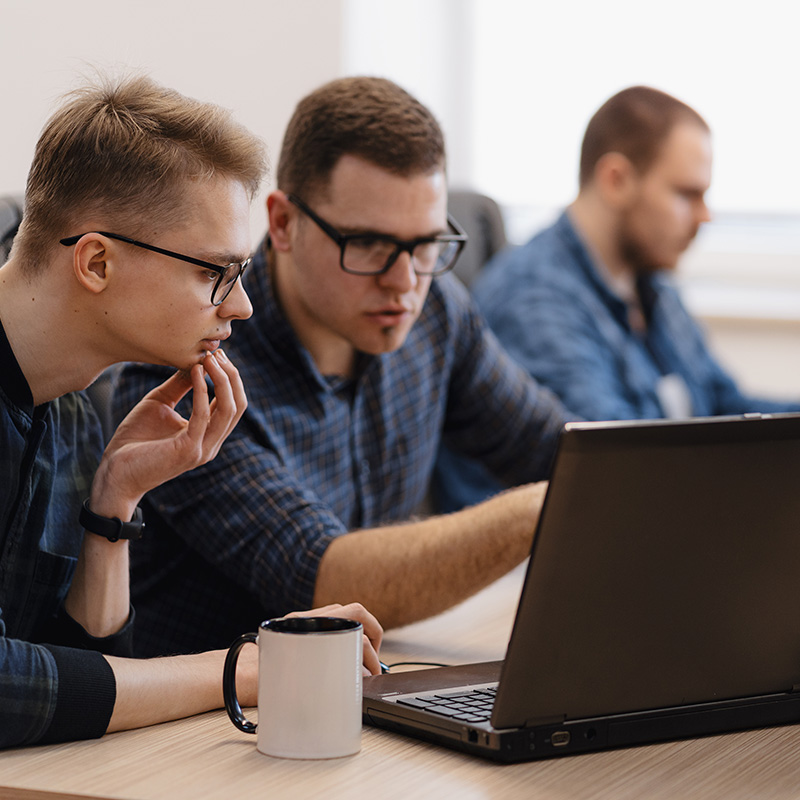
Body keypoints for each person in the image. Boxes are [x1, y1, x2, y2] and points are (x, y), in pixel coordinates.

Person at [111, 76, 571, 657]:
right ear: (283, 224)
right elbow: (326, 583)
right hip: (206, 724)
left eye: (426, 244)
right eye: (370, 245)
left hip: (353, 691)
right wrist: (544, 507)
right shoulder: (187, 367)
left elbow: (560, 448)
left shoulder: (435, 314)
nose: (405, 283)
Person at [0, 73, 381, 750]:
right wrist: (241, 670)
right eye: (216, 273)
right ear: (95, 263)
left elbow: (77, 671)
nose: (241, 307)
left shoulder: (76, 409)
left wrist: (115, 499)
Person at [434, 85, 800, 512]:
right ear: (616, 180)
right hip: (543, 554)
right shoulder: (535, 301)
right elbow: (621, 473)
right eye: (687, 194)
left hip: (656, 519)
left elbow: (725, 405)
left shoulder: (650, 282)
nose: (705, 216)